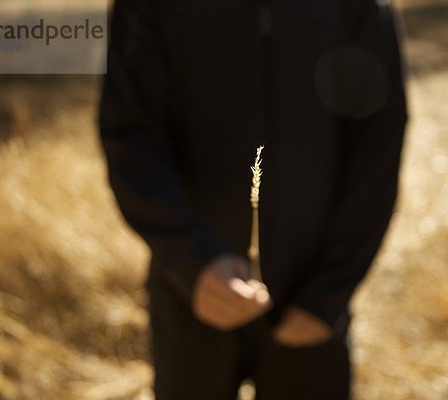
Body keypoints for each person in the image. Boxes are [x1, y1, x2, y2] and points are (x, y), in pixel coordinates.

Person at [99, 0, 407, 398]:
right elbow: (130, 137)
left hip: (311, 301)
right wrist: (193, 260)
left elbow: (378, 143)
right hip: (192, 297)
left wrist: (328, 291)